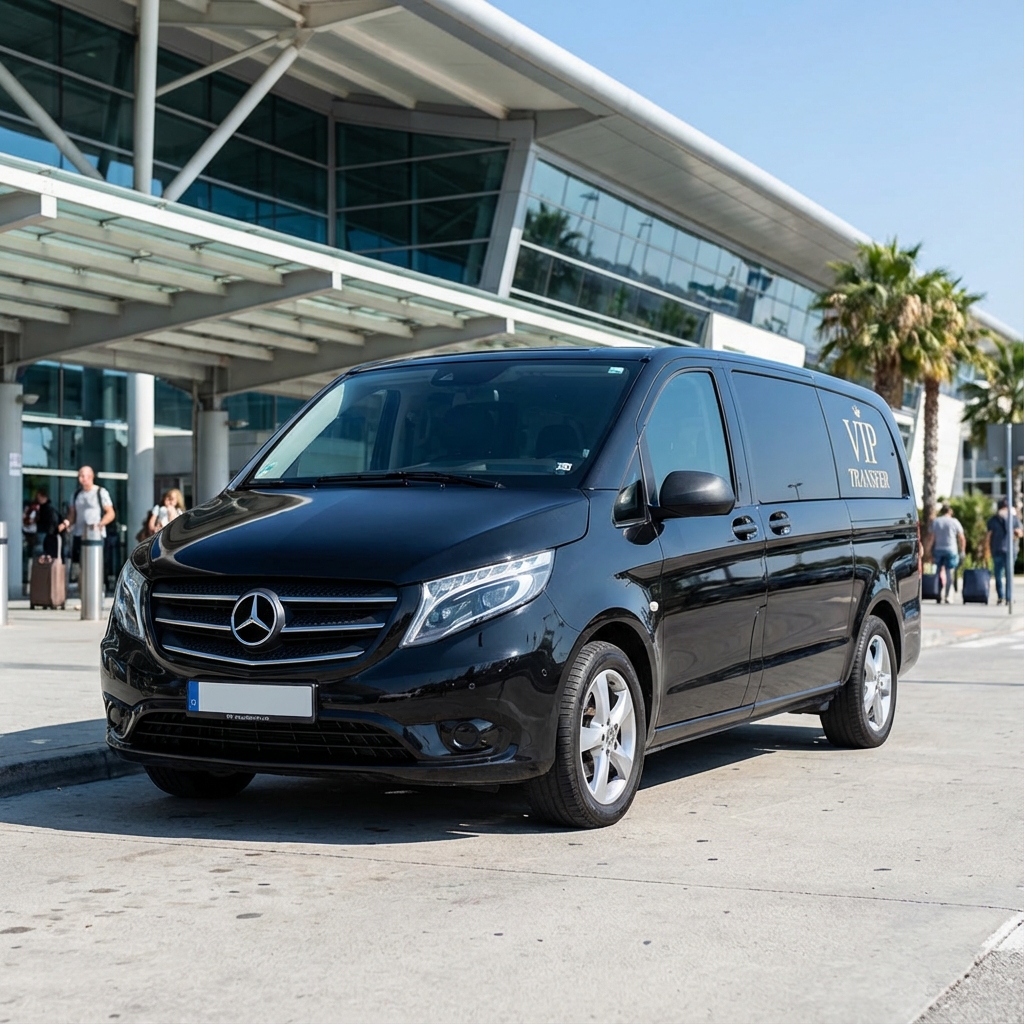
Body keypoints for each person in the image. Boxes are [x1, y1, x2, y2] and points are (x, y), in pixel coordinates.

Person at [58, 465, 115, 568]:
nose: (82, 479)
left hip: (96, 535)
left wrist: (100, 524)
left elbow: (110, 513)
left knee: (95, 564)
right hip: (79, 534)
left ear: (91, 476)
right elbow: (72, 514)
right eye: (80, 476)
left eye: (84, 476)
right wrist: (66, 523)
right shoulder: (76, 494)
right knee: (79, 564)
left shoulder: (100, 492)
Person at [986, 498, 1023, 605]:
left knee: (1008, 575)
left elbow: (1021, 533)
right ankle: (1002, 597)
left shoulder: (1014, 519)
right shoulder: (993, 520)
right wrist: (987, 550)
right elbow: (989, 536)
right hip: (998, 550)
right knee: (999, 575)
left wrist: (1017, 532)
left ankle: (1008, 597)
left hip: (1010, 550)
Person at [928, 504, 965, 604]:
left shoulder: (936, 521)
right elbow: (961, 538)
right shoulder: (954, 522)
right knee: (949, 573)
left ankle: (938, 594)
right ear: (950, 511)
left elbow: (932, 538)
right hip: (951, 550)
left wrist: (928, 550)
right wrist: (963, 551)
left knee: (937, 572)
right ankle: (948, 596)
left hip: (938, 549)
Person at [34, 489, 61, 558]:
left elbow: (52, 521)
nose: (38, 499)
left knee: (41, 551)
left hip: (44, 532)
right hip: (44, 531)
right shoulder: (44, 508)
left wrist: (50, 532)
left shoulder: (47, 509)